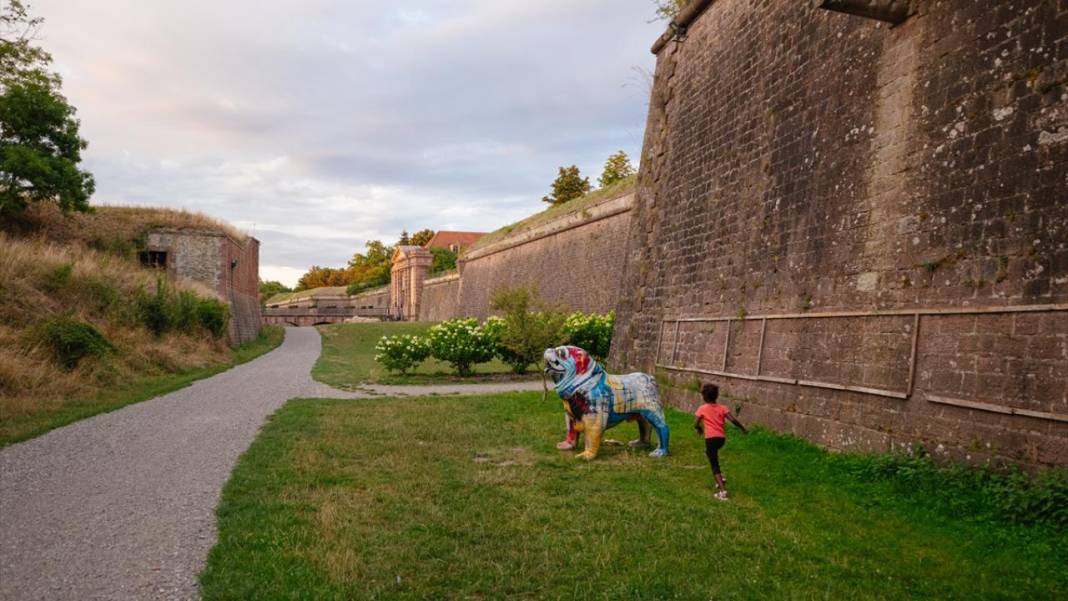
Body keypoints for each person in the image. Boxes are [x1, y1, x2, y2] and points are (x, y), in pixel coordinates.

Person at [693, 383, 747, 500]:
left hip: (710, 439)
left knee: (714, 464)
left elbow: (696, 422)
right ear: (717, 396)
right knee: (710, 453)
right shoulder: (723, 408)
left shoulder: (702, 408)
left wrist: (698, 428)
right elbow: (733, 420)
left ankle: (722, 491)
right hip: (721, 439)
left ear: (703, 396)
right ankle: (720, 479)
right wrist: (742, 428)